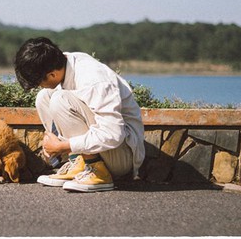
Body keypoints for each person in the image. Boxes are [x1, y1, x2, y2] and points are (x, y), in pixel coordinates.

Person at [14, 37, 145, 192]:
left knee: (59, 99)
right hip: (107, 150)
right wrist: (52, 142)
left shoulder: (93, 79)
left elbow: (113, 134)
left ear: (52, 74)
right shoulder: (65, 64)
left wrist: (63, 146)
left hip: (122, 157)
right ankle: (78, 163)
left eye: (38, 82)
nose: (38, 86)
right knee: (44, 97)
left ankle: (98, 173)